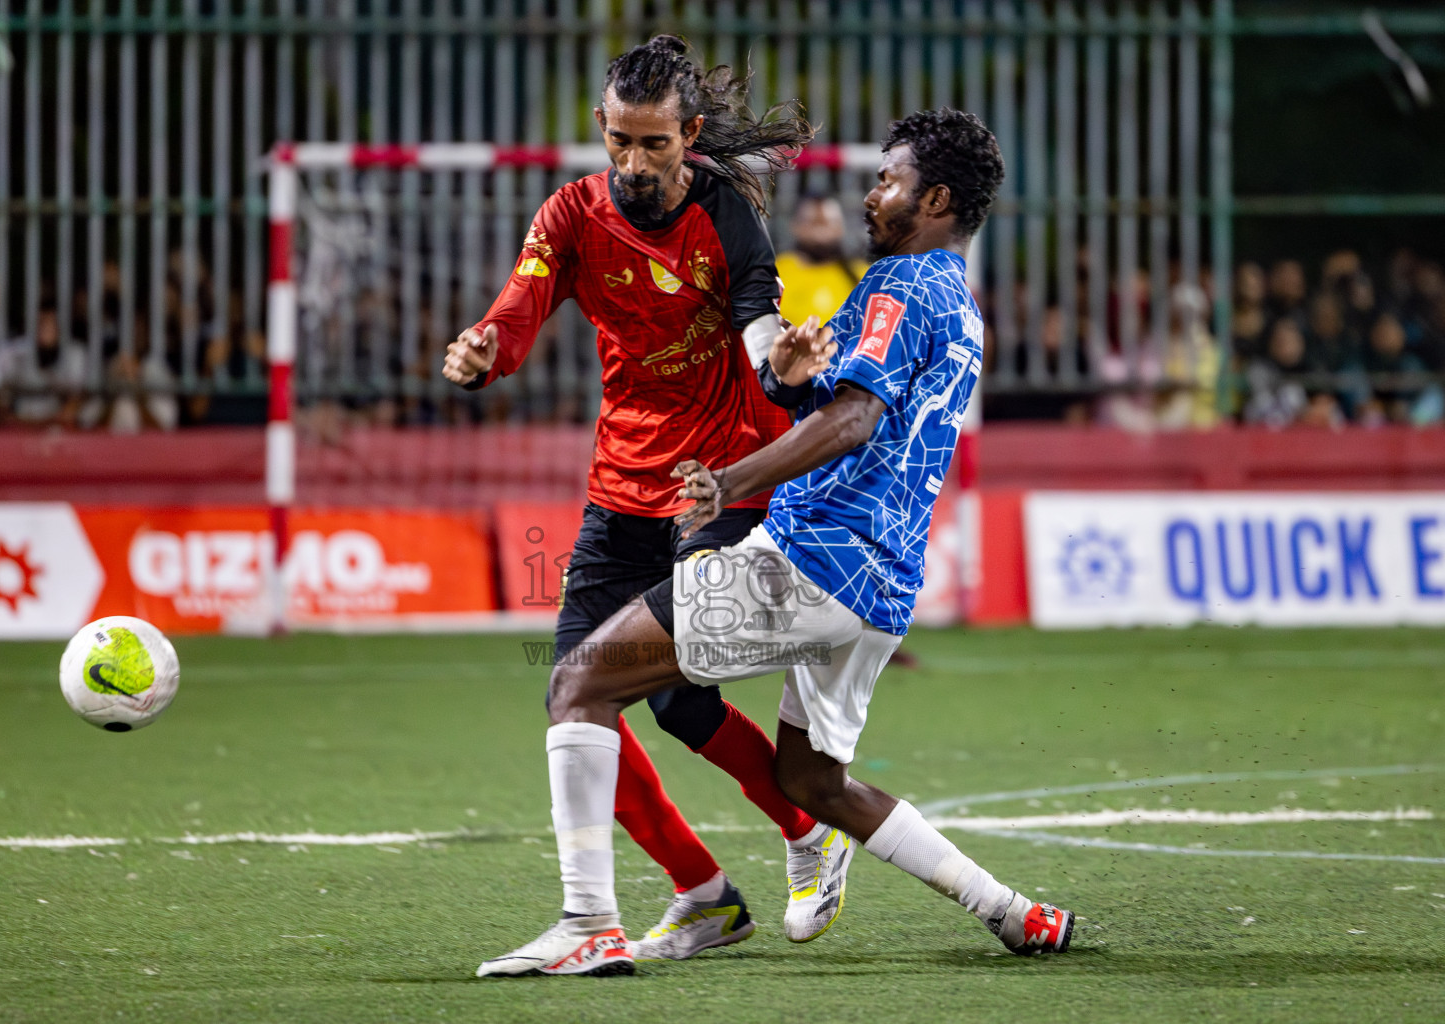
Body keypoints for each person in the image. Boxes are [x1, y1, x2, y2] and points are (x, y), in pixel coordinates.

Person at [477, 108, 1075, 979]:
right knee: (814, 784)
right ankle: (1014, 913)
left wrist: (735, 479)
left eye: (890, 180)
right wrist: (799, 381)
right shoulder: (960, 304)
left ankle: (589, 925)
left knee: (578, 681)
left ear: (936, 198)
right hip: (882, 592)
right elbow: (854, 410)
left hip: (808, 565)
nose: (872, 193)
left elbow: (855, 418)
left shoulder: (901, 286)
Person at [442, 35, 849, 962]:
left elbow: (755, 318)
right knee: (573, 697)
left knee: (672, 695)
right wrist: (481, 351)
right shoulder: (572, 216)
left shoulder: (725, 218)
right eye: (619, 142)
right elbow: (520, 305)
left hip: (718, 480)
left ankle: (801, 827)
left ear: (690, 136)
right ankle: (704, 894)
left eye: (654, 145)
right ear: (601, 129)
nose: (633, 164)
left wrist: (779, 366)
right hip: (620, 484)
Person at [0, 291, 89, 430]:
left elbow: (76, 402)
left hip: (59, 429)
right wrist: (19, 424)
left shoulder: (75, 353)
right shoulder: (8, 352)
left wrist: (51, 424)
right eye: (41, 321)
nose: (46, 328)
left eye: (52, 321)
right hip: (15, 428)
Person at [775, 194, 868, 330]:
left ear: (840, 227)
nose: (820, 228)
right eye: (812, 221)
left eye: (828, 221)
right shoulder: (775, 272)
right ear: (795, 226)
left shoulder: (864, 276)